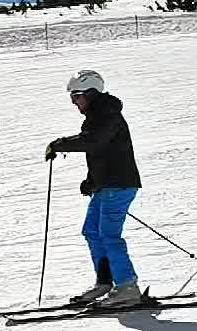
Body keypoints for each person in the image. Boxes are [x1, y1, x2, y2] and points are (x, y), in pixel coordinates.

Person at [46, 70, 142, 307]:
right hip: (106, 185)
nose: (74, 102)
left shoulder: (108, 115)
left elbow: (94, 142)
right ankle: (106, 282)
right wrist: (92, 180)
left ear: (90, 93)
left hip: (119, 184)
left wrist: (60, 144)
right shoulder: (96, 116)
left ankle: (127, 286)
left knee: (109, 235)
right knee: (91, 231)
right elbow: (100, 151)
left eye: (76, 96)